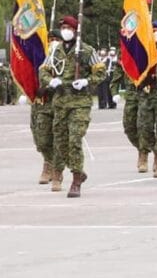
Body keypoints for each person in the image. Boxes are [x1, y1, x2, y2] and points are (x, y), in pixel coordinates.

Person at [45, 16, 105, 197]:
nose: (65, 30)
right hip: (61, 103)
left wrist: (87, 81)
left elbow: (101, 72)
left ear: (76, 30)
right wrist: (50, 80)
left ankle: (76, 179)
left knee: (74, 139)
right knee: (61, 143)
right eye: (62, 27)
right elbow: (44, 70)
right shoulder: (55, 51)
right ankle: (77, 169)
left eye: (68, 27)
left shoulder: (87, 51)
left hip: (80, 103)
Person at [131, 20, 157, 177]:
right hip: (145, 94)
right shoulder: (144, 48)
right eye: (153, 30)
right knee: (144, 128)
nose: (156, 33)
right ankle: (145, 154)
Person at [37, 29, 63, 189]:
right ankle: (48, 161)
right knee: (42, 139)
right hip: (42, 103)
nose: (52, 41)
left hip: (61, 102)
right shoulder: (41, 56)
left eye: (56, 38)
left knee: (59, 138)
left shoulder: (66, 57)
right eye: (50, 38)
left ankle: (56, 171)